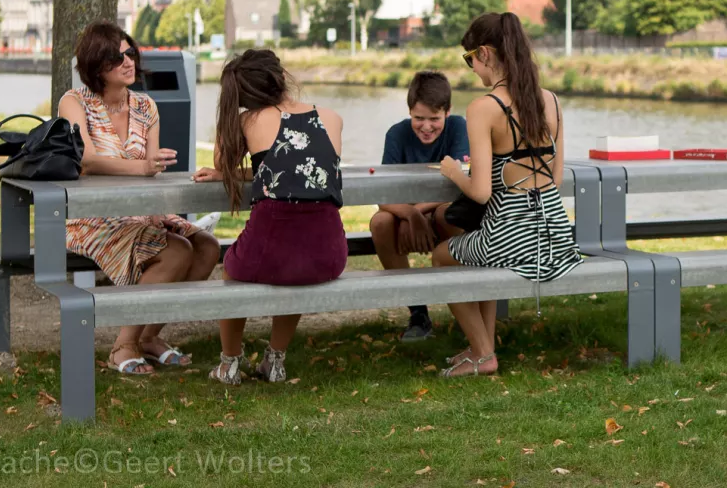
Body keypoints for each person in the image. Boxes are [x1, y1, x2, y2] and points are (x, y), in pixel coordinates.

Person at [57, 22, 220, 375]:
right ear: (96, 65)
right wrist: (143, 168)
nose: (128, 61)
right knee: (177, 250)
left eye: (130, 52)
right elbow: (84, 160)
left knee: (206, 244)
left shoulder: (146, 106)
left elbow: (150, 171)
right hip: (91, 217)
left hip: (140, 211)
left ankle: (148, 336)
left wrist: (156, 203)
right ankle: (123, 345)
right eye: (117, 57)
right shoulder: (74, 102)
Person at [432, 12, 582, 378]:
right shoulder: (551, 101)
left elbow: (482, 193)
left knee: (440, 257)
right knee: (473, 253)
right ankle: (483, 347)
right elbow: (556, 178)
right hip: (556, 235)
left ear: (485, 53)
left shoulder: (484, 107)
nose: (471, 69)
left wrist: (453, 172)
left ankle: (484, 355)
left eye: (470, 59)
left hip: (509, 235)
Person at [192, 49, 347, 385]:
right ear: (280, 77)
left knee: (232, 273)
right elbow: (301, 170)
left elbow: (222, 162)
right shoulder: (331, 117)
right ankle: (275, 361)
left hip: (271, 243)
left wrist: (230, 114)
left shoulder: (250, 120)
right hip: (328, 252)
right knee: (294, 274)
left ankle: (229, 363)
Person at [369, 71, 476, 341]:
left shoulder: (458, 127)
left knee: (446, 212)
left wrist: (418, 211)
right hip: (410, 217)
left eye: (434, 119)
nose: (426, 126)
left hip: (443, 215)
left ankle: (467, 310)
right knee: (379, 222)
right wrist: (409, 214)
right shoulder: (396, 134)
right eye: (418, 118)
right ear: (409, 112)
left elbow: (462, 186)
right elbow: (383, 195)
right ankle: (418, 312)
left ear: (448, 112)